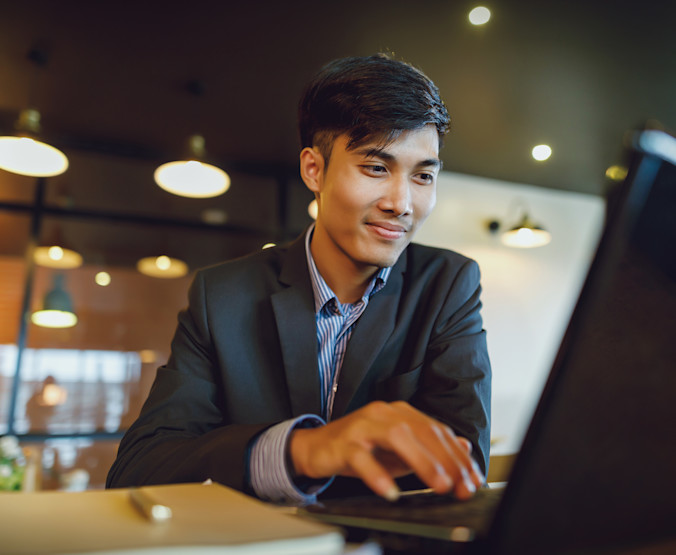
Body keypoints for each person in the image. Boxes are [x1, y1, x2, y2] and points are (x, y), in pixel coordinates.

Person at [107, 54, 491, 504]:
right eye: (375, 168)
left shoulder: (447, 285)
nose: (402, 202)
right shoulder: (222, 296)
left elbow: (465, 469)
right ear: (314, 169)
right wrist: (302, 450)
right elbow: (140, 468)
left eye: (423, 175)